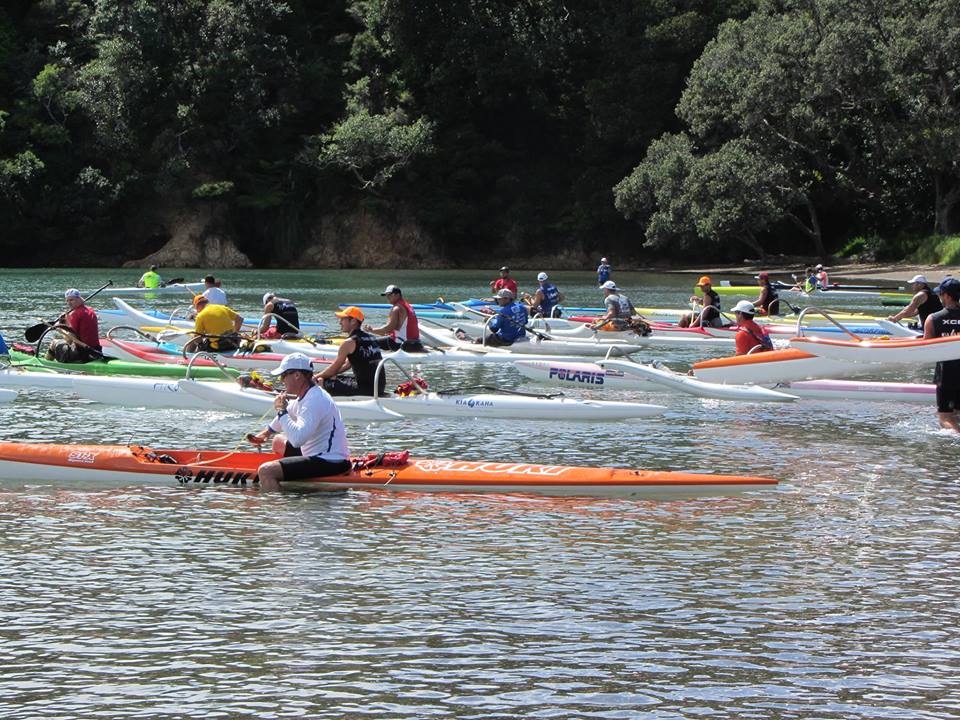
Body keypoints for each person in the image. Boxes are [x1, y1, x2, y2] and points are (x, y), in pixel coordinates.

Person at [246, 353, 351, 491]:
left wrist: (281, 411)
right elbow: (288, 412)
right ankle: (289, 479)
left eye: (283, 375)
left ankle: (281, 507)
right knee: (277, 441)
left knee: (266, 471)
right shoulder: (307, 394)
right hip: (318, 455)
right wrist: (266, 433)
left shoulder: (314, 400)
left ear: (297, 375)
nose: (282, 380)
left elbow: (297, 440)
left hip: (330, 461)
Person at [315, 306, 386, 396]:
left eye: (343, 319)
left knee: (321, 381)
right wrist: (329, 374)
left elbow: (334, 369)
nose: (340, 322)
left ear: (353, 321)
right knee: (333, 377)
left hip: (367, 390)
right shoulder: (371, 337)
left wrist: (316, 377)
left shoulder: (349, 342)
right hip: (379, 387)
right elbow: (346, 365)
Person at [924, 278, 960, 433]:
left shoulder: (933, 319)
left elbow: (926, 348)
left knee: (945, 417)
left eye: (941, 294)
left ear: (947, 296)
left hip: (946, 373)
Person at [45, 288, 102, 363]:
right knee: (61, 343)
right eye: (67, 301)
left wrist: (61, 326)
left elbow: (69, 340)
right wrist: (67, 323)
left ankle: (45, 363)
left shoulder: (75, 314)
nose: (69, 303)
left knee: (54, 343)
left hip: (82, 354)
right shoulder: (90, 310)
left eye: (72, 300)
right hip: (96, 350)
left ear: (79, 299)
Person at [364, 285, 425, 352]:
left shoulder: (396, 309)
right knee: (380, 339)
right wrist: (373, 331)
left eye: (390, 295)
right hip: (416, 344)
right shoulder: (407, 306)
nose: (387, 297)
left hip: (402, 345)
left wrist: (371, 330)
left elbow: (387, 329)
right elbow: (388, 332)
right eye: (386, 295)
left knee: (367, 342)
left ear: (397, 295)